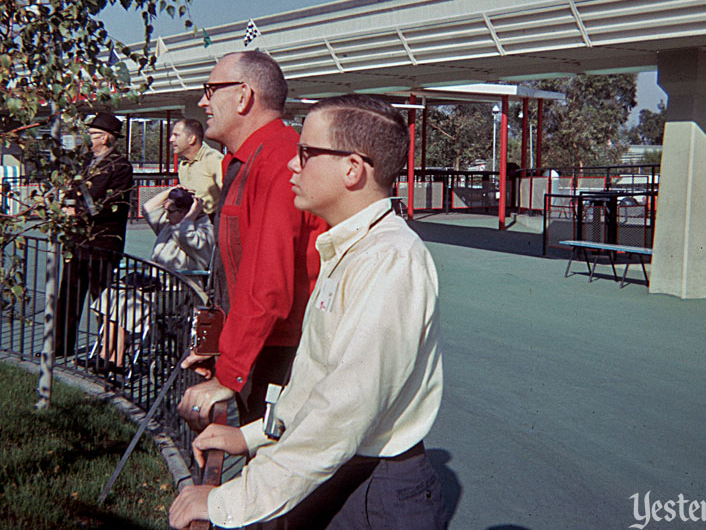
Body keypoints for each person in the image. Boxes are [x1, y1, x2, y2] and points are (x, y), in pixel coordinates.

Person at [169, 95, 446, 529]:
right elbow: (316, 383)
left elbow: (343, 410)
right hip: (347, 474)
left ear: (352, 168)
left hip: (374, 493)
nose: (292, 166)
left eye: (306, 153)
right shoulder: (349, 248)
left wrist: (230, 502)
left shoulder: (389, 260)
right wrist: (250, 435)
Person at [177, 51, 326, 430]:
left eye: (210, 90)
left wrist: (229, 373)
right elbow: (233, 271)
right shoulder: (246, 160)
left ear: (243, 96)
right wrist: (216, 346)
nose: (202, 102)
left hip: (280, 359)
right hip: (260, 350)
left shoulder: (278, 161)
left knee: (269, 472)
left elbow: (267, 286)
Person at [90, 187, 214, 370]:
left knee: (128, 301)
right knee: (114, 295)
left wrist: (193, 213)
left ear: (185, 212)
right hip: (154, 285)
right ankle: (107, 354)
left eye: (170, 211)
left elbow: (185, 237)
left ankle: (114, 359)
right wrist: (173, 189)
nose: (166, 215)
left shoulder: (203, 231)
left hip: (178, 291)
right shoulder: (170, 224)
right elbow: (147, 208)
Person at [54, 112, 133, 358]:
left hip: (103, 243)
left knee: (104, 302)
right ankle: (60, 348)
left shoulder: (120, 166)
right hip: (78, 242)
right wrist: (67, 204)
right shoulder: (85, 161)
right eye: (90, 133)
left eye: (96, 134)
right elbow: (71, 188)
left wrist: (76, 211)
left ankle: (107, 353)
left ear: (108, 137)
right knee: (68, 296)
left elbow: (113, 204)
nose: (91, 137)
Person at [169, 117, 223, 217]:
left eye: (176, 135)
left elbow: (230, 195)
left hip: (212, 222)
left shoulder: (213, 159)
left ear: (191, 139)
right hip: (190, 222)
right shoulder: (183, 164)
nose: (171, 139)